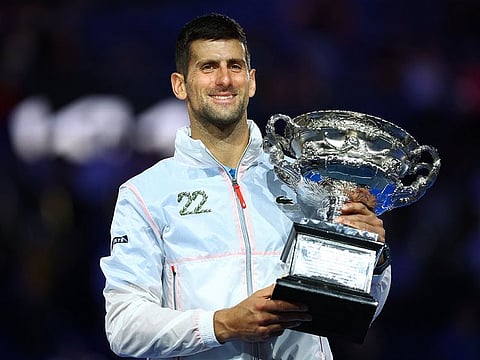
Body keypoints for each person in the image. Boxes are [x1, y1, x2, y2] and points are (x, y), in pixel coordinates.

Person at [100, 13, 391, 359]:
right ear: (180, 85)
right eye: (208, 67)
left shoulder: (306, 180)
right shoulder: (145, 194)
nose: (224, 79)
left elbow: (356, 310)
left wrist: (370, 260)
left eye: (235, 66)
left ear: (251, 81)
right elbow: (124, 326)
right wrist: (222, 324)